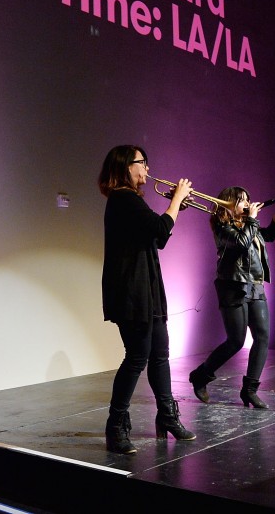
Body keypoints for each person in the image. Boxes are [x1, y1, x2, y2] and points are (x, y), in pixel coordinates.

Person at [97, 145, 196, 454]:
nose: (148, 170)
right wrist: (177, 200)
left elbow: (159, 237)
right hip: (131, 290)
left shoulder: (131, 202)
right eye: (143, 163)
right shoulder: (123, 199)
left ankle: (167, 416)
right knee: (138, 357)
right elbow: (159, 227)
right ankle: (116, 426)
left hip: (146, 288)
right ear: (126, 166)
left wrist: (177, 207)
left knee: (160, 354)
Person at [188, 187, 275, 409]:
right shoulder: (222, 227)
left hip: (255, 286)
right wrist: (252, 220)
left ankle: (250, 390)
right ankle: (201, 375)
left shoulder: (249, 225)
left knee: (262, 337)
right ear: (228, 204)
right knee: (236, 341)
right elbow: (241, 243)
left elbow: (265, 236)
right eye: (241, 200)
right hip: (232, 287)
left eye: (247, 200)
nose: (246, 203)